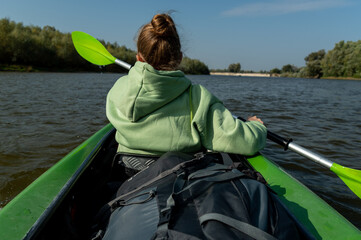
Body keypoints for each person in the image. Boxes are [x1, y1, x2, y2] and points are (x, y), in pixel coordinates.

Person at [106, 13, 267, 171]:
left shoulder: (118, 89)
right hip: (175, 178)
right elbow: (247, 141)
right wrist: (256, 126)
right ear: (180, 58)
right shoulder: (197, 98)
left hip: (128, 172)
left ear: (138, 58)